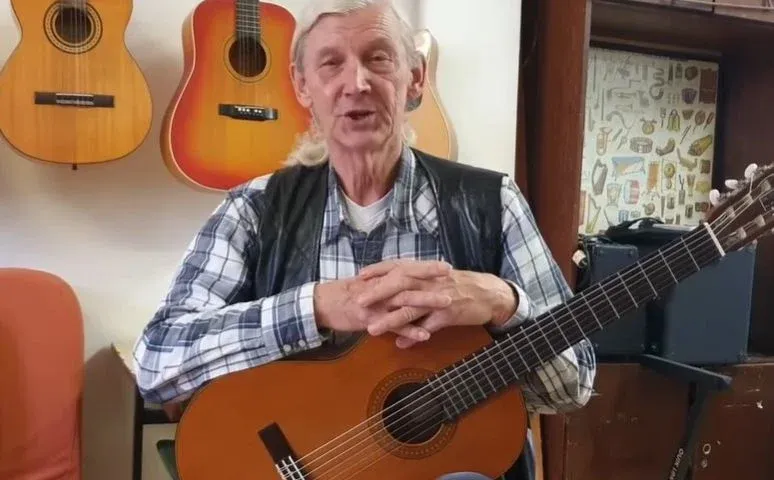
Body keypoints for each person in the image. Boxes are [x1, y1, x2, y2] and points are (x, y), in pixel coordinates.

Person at [132, 1, 597, 479]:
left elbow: (573, 386)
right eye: (331, 63)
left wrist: (505, 303)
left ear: (415, 78)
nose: (356, 83)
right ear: (301, 85)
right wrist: (315, 308)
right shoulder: (254, 209)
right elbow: (156, 364)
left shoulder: (491, 203)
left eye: (378, 58)